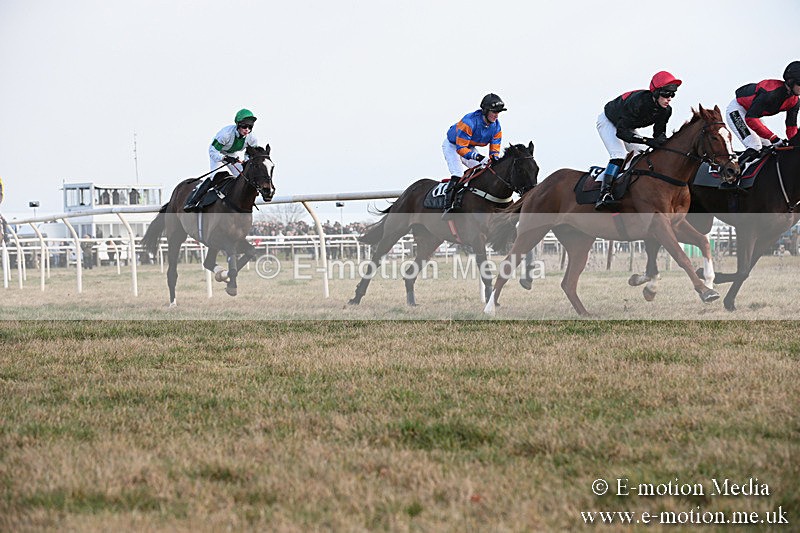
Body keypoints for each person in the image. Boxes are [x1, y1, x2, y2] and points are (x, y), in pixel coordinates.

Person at [595, 71, 681, 211]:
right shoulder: (638, 103)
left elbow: (659, 135)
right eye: (666, 94)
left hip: (626, 125)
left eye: (672, 94)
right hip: (609, 121)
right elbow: (621, 132)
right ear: (656, 93)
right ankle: (604, 193)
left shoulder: (665, 111)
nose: (669, 98)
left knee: (640, 155)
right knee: (619, 155)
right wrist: (647, 140)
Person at [441, 93, 506, 218]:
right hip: (453, 145)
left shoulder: (496, 127)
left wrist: (494, 160)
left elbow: (494, 151)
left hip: (469, 146)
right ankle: (447, 207)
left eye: (498, 112)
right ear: (485, 110)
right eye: (494, 111)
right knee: (458, 173)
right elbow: (461, 149)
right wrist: (477, 157)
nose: (496, 115)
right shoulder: (469, 122)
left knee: (484, 169)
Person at [725, 61, 800, 166]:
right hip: (738, 110)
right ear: (791, 82)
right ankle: (730, 173)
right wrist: (773, 137)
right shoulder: (770, 93)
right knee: (754, 146)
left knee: (768, 147)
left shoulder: (794, 101)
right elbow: (750, 118)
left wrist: (794, 143)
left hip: (753, 114)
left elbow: (791, 126)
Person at [184, 108, 259, 211]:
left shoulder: (252, 138)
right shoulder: (225, 134)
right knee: (216, 176)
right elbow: (213, 152)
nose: (247, 129)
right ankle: (192, 201)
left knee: (244, 176)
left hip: (231, 154)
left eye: (250, 127)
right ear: (238, 125)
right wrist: (224, 158)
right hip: (217, 153)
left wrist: (245, 161)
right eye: (244, 126)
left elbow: (250, 153)